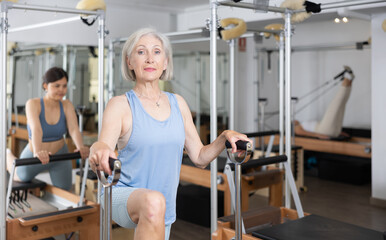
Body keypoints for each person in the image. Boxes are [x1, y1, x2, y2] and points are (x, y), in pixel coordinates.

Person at [89, 28, 251, 240]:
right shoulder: (120, 105)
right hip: (123, 194)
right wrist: (98, 150)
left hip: (163, 204)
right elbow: (103, 145)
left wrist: (224, 137)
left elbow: (200, 157)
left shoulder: (178, 103)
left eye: (156, 52)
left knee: (157, 203)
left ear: (165, 62)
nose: (149, 58)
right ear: (129, 62)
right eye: (141, 52)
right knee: (153, 201)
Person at [7, 67, 89, 191]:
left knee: (65, 190)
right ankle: (7, 155)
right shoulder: (33, 104)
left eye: (64, 86)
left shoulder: (67, 105)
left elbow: (73, 128)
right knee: (20, 176)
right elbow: (36, 129)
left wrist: (80, 146)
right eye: (57, 86)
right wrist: (38, 152)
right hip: (37, 154)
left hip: (60, 155)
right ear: (45, 85)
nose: (61, 90)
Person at [294, 73, 355, 140]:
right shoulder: (296, 128)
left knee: (341, 106)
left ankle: (349, 82)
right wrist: (319, 135)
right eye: (292, 122)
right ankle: (347, 77)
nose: (294, 120)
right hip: (323, 131)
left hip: (331, 131)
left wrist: (339, 133)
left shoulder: (302, 124)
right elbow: (306, 133)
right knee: (335, 105)